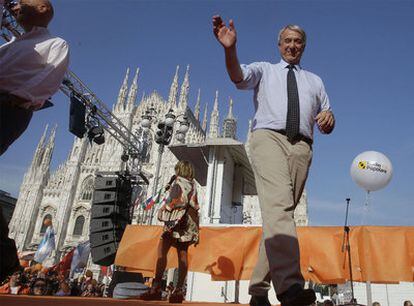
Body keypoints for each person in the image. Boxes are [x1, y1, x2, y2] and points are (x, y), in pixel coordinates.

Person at [213, 16, 335, 306]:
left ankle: (257, 291)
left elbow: (327, 118)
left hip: (302, 147)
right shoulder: (265, 70)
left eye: (297, 41)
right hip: (268, 139)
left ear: (303, 47)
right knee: (280, 209)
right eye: (287, 41)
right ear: (279, 45)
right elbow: (238, 77)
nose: (292, 45)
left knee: (279, 217)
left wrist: (329, 119)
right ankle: (290, 286)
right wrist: (230, 49)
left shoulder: (315, 81)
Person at [0, 0, 69, 155]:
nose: (15, 7)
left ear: (42, 8)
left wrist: (16, 98)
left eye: (21, 3)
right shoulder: (12, 43)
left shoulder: (56, 43)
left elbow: (50, 76)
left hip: (8, 108)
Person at [140, 160, 200, 304]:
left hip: (175, 220)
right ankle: (178, 290)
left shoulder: (178, 183)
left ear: (179, 170)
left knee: (162, 252)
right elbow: (195, 204)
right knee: (183, 254)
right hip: (188, 222)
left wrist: (163, 211)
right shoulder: (193, 185)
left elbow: (173, 201)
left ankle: (155, 288)